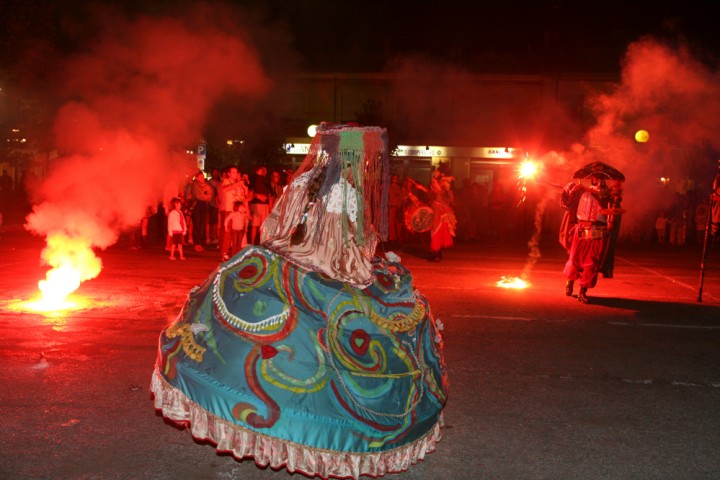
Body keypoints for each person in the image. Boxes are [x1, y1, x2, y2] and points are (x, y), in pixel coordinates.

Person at [150, 123, 448, 479]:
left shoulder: (303, 182)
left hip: (290, 258)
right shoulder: (347, 193)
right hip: (332, 268)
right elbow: (351, 248)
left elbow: (274, 228)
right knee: (367, 319)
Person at [561, 174, 612, 304]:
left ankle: (582, 292)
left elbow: (600, 196)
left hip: (597, 229)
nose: (599, 180)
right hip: (582, 227)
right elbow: (563, 192)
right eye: (597, 178)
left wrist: (610, 220)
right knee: (575, 258)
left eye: (602, 178)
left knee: (591, 262)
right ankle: (569, 283)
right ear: (592, 179)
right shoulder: (581, 190)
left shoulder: (606, 194)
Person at [217, 165, 249, 260]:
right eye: (233, 172)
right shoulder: (226, 181)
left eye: (236, 172)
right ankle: (224, 253)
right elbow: (224, 189)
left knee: (237, 231)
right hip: (228, 209)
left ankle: (235, 251)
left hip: (237, 210)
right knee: (228, 231)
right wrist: (237, 184)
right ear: (229, 174)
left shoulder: (239, 183)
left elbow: (245, 195)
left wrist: (245, 186)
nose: (235, 174)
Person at [188, 170, 213, 252]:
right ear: (197, 178)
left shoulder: (206, 185)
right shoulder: (195, 185)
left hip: (204, 206)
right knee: (197, 226)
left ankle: (200, 244)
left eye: (203, 176)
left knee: (202, 226)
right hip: (197, 207)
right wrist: (205, 195)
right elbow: (198, 196)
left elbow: (210, 196)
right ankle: (196, 244)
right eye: (201, 177)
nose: (203, 178)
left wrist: (206, 196)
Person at [247, 165, 273, 245]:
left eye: (264, 170)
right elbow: (249, 191)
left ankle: (262, 242)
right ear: (257, 171)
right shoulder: (253, 179)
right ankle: (252, 242)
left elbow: (270, 193)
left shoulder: (266, 180)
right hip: (255, 204)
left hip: (265, 205)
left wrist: (270, 205)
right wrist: (258, 196)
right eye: (262, 170)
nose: (263, 172)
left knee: (263, 225)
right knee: (254, 225)